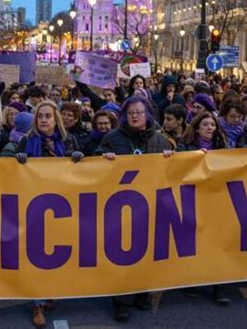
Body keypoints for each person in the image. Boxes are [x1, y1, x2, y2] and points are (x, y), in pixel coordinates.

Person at [95, 95, 171, 321]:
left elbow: (171, 173)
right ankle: (120, 300)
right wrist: (103, 157)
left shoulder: (161, 141)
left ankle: (142, 293)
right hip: (119, 206)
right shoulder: (112, 138)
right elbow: (96, 165)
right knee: (121, 255)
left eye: (139, 112)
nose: (135, 116)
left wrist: (171, 159)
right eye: (130, 113)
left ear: (147, 114)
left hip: (149, 206)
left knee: (145, 252)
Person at [14, 100, 82, 328]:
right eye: (40, 116)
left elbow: (81, 169)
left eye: (48, 116)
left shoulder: (68, 140)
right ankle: (37, 303)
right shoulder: (26, 141)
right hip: (33, 206)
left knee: (57, 252)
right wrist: (18, 159)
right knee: (36, 254)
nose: (44, 120)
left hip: (62, 205)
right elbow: (8, 165)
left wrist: (78, 158)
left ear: (56, 120)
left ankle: (50, 290)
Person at [177, 111, 230, 304]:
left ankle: (219, 288)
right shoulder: (185, 146)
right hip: (192, 199)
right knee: (193, 242)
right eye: (205, 124)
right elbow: (178, 168)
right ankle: (191, 281)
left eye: (212, 125)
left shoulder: (222, 147)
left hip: (216, 200)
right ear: (197, 128)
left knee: (217, 244)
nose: (209, 128)